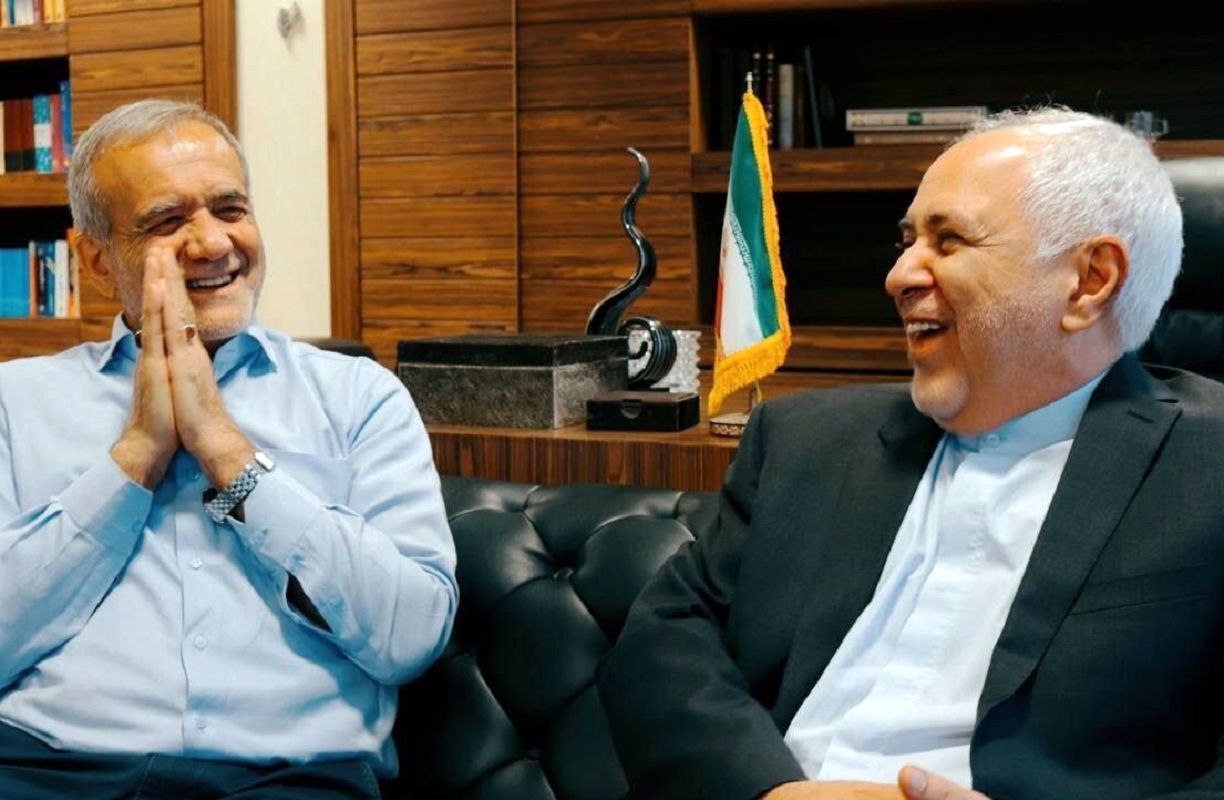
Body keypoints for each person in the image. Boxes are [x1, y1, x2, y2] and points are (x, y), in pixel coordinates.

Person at [598, 107, 1224, 800]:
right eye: (906, 242)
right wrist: (769, 791)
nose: (899, 276)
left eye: (948, 241)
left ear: (1089, 282)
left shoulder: (1209, 466)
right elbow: (665, 638)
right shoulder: (803, 440)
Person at [0, 100, 458, 799]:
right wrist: (135, 458)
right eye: (167, 220)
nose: (213, 244)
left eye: (230, 209)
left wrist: (226, 452)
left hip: (289, 780)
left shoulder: (359, 398)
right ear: (95, 260)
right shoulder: (16, 401)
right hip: (50, 772)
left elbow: (411, 636)